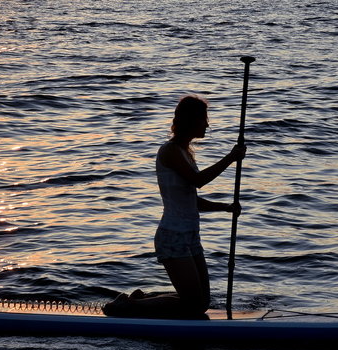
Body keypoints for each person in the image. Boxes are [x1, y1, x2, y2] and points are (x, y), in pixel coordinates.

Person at [105, 94, 245, 318]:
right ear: (191, 120)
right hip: (172, 236)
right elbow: (197, 181)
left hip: (190, 236)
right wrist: (231, 158)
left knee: (201, 303)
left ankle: (140, 300)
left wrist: (226, 207)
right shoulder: (169, 151)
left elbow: (191, 201)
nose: (207, 124)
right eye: (203, 119)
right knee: (193, 305)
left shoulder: (185, 153)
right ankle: (128, 307)